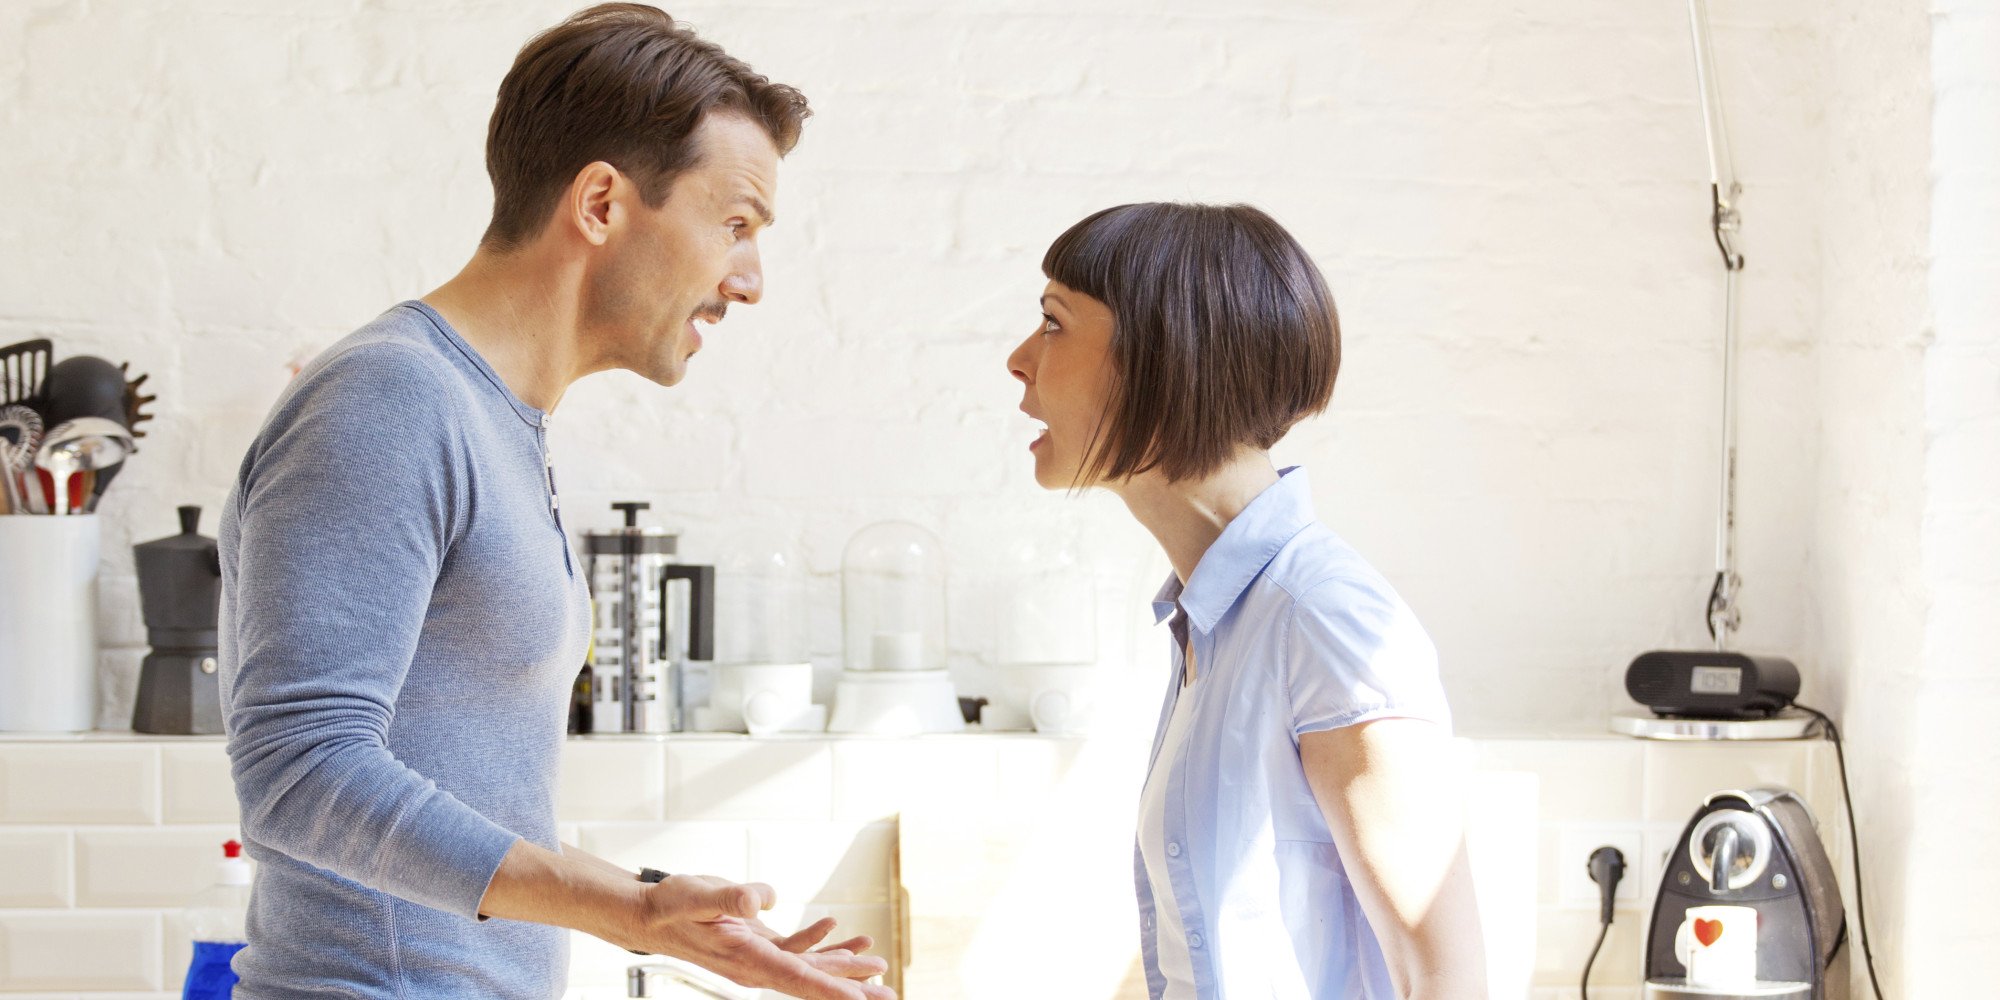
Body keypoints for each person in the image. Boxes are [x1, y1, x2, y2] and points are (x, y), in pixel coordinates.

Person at [218, 6, 893, 997]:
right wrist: (628, 909)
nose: (747, 279)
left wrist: (666, 916)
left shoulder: (488, 418)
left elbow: (459, 780)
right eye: (735, 224)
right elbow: (298, 772)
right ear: (601, 205)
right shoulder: (390, 401)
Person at [1005, 203, 1488, 999]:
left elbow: (1446, 979)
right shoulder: (1215, 622)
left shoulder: (1325, 621)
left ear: (1165, 359)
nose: (1019, 359)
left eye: (1054, 323)